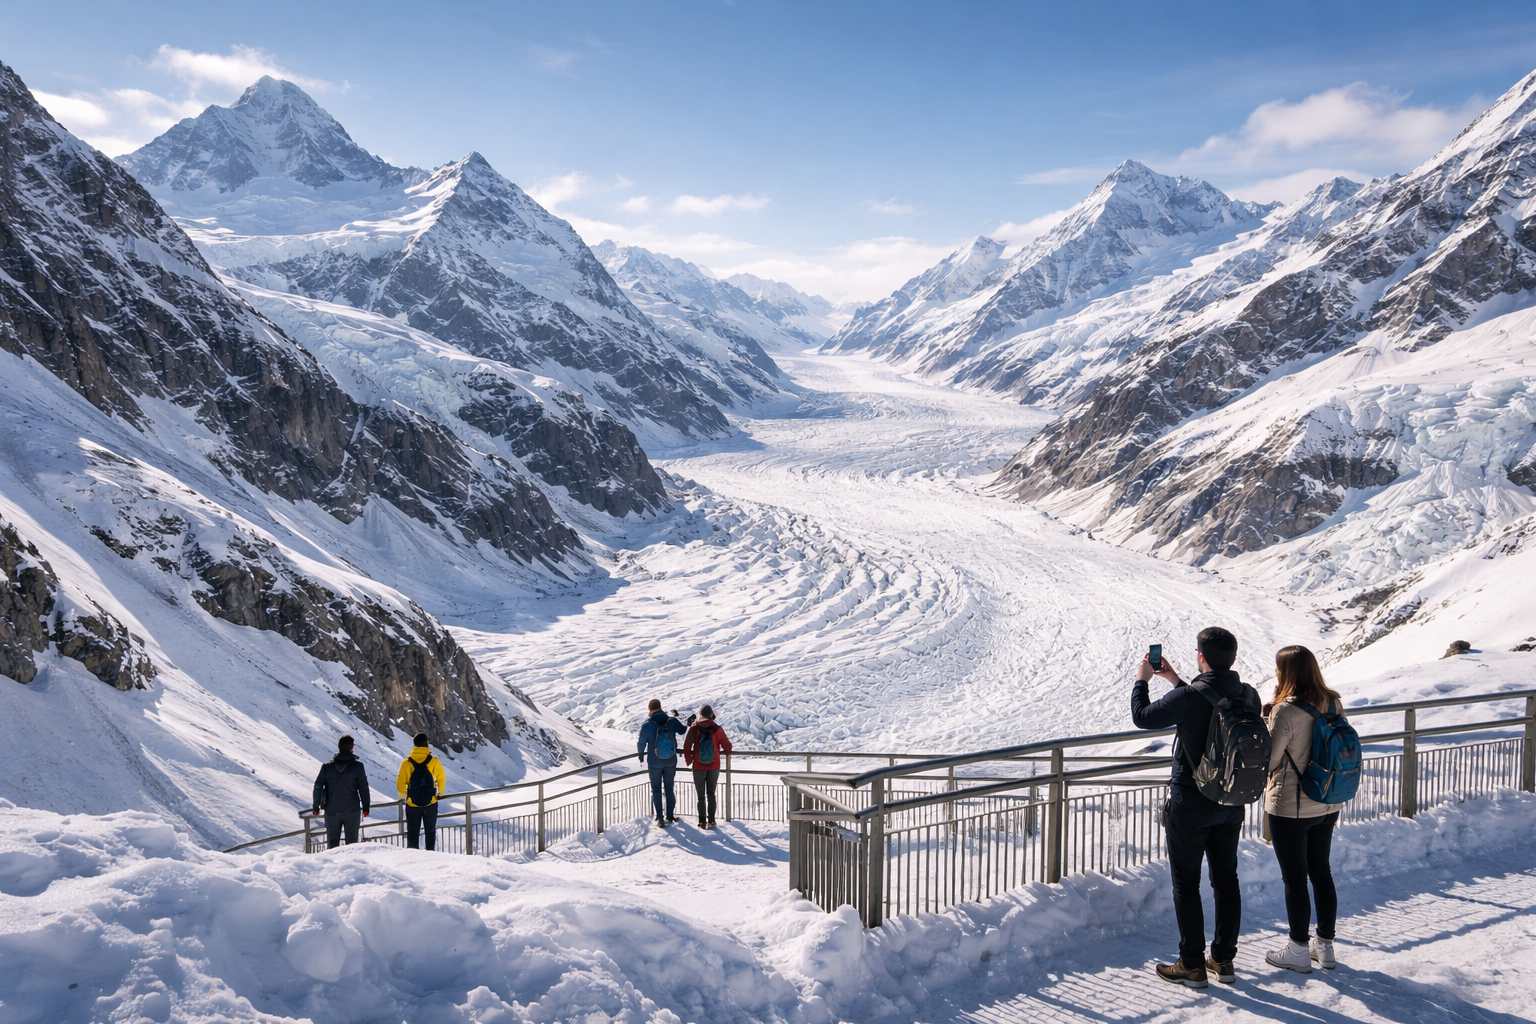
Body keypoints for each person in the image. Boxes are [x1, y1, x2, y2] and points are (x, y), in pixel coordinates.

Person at [1131, 627, 1259, 988]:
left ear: (1201, 657)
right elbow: (1210, 706)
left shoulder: (1188, 697)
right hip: (1231, 802)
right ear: (1232, 658)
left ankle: (1191, 964)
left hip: (1191, 804)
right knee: (1226, 880)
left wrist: (1143, 680)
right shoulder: (1248, 693)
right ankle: (1222, 960)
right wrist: (1175, 680)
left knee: (1186, 884)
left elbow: (1142, 716)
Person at [1263, 645, 1345, 973]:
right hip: (1327, 801)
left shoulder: (1285, 711)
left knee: (1295, 878)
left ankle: (1297, 948)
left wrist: (1267, 716)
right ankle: (1324, 947)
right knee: (1321, 871)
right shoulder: (1333, 701)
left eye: (1278, 668)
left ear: (1287, 672)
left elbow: (1269, 760)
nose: (1276, 673)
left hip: (1292, 806)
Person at [311, 735, 371, 849]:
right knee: (352, 845)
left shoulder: (327, 767)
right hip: (352, 810)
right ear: (352, 748)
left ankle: (333, 865)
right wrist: (366, 807)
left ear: (339, 748)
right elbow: (363, 788)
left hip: (332, 810)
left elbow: (318, 786)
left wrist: (316, 806)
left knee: (332, 844)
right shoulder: (357, 766)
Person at [637, 699, 686, 827]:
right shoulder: (671, 721)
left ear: (650, 710)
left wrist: (641, 755)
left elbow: (641, 742)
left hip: (654, 762)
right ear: (660, 708)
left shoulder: (647, 725)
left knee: (656, 790)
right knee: (669, 788)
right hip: (670, 760)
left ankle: (660, 818)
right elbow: (682, 730)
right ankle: (670, 815)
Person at [683, 705, 733, 828]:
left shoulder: (694, 728)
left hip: (698, 766)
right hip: (714, 766)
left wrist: (690, 760)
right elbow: (728, 747)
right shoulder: (717, 729)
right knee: (711, 793)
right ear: (711, 714)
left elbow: (687, 746)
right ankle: (712, 820)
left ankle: (702, 821)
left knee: (701, 796)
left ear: (700, 714)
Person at [396, 732, 447, 851]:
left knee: (413, 832)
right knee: (430, 831)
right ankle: (431, 856)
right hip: (431, 802)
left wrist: (403, 796)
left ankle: (413, 860)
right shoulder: (434, 761)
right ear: (426, 744)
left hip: (412, 804)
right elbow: (441, 778)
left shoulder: (406, 763)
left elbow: (400, 781)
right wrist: (440, 794)